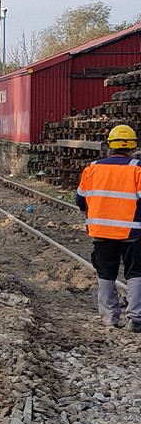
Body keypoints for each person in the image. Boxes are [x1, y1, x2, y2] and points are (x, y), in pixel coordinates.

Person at [76, 124, 141, 331]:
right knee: (135, 273)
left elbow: (80, 200)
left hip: (100, 232)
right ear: (133, 146)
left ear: (110, 146)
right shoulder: (137, 169)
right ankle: (136, 319)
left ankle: (109, 319)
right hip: (132, 232)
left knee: (105, 274)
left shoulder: (92, 168)